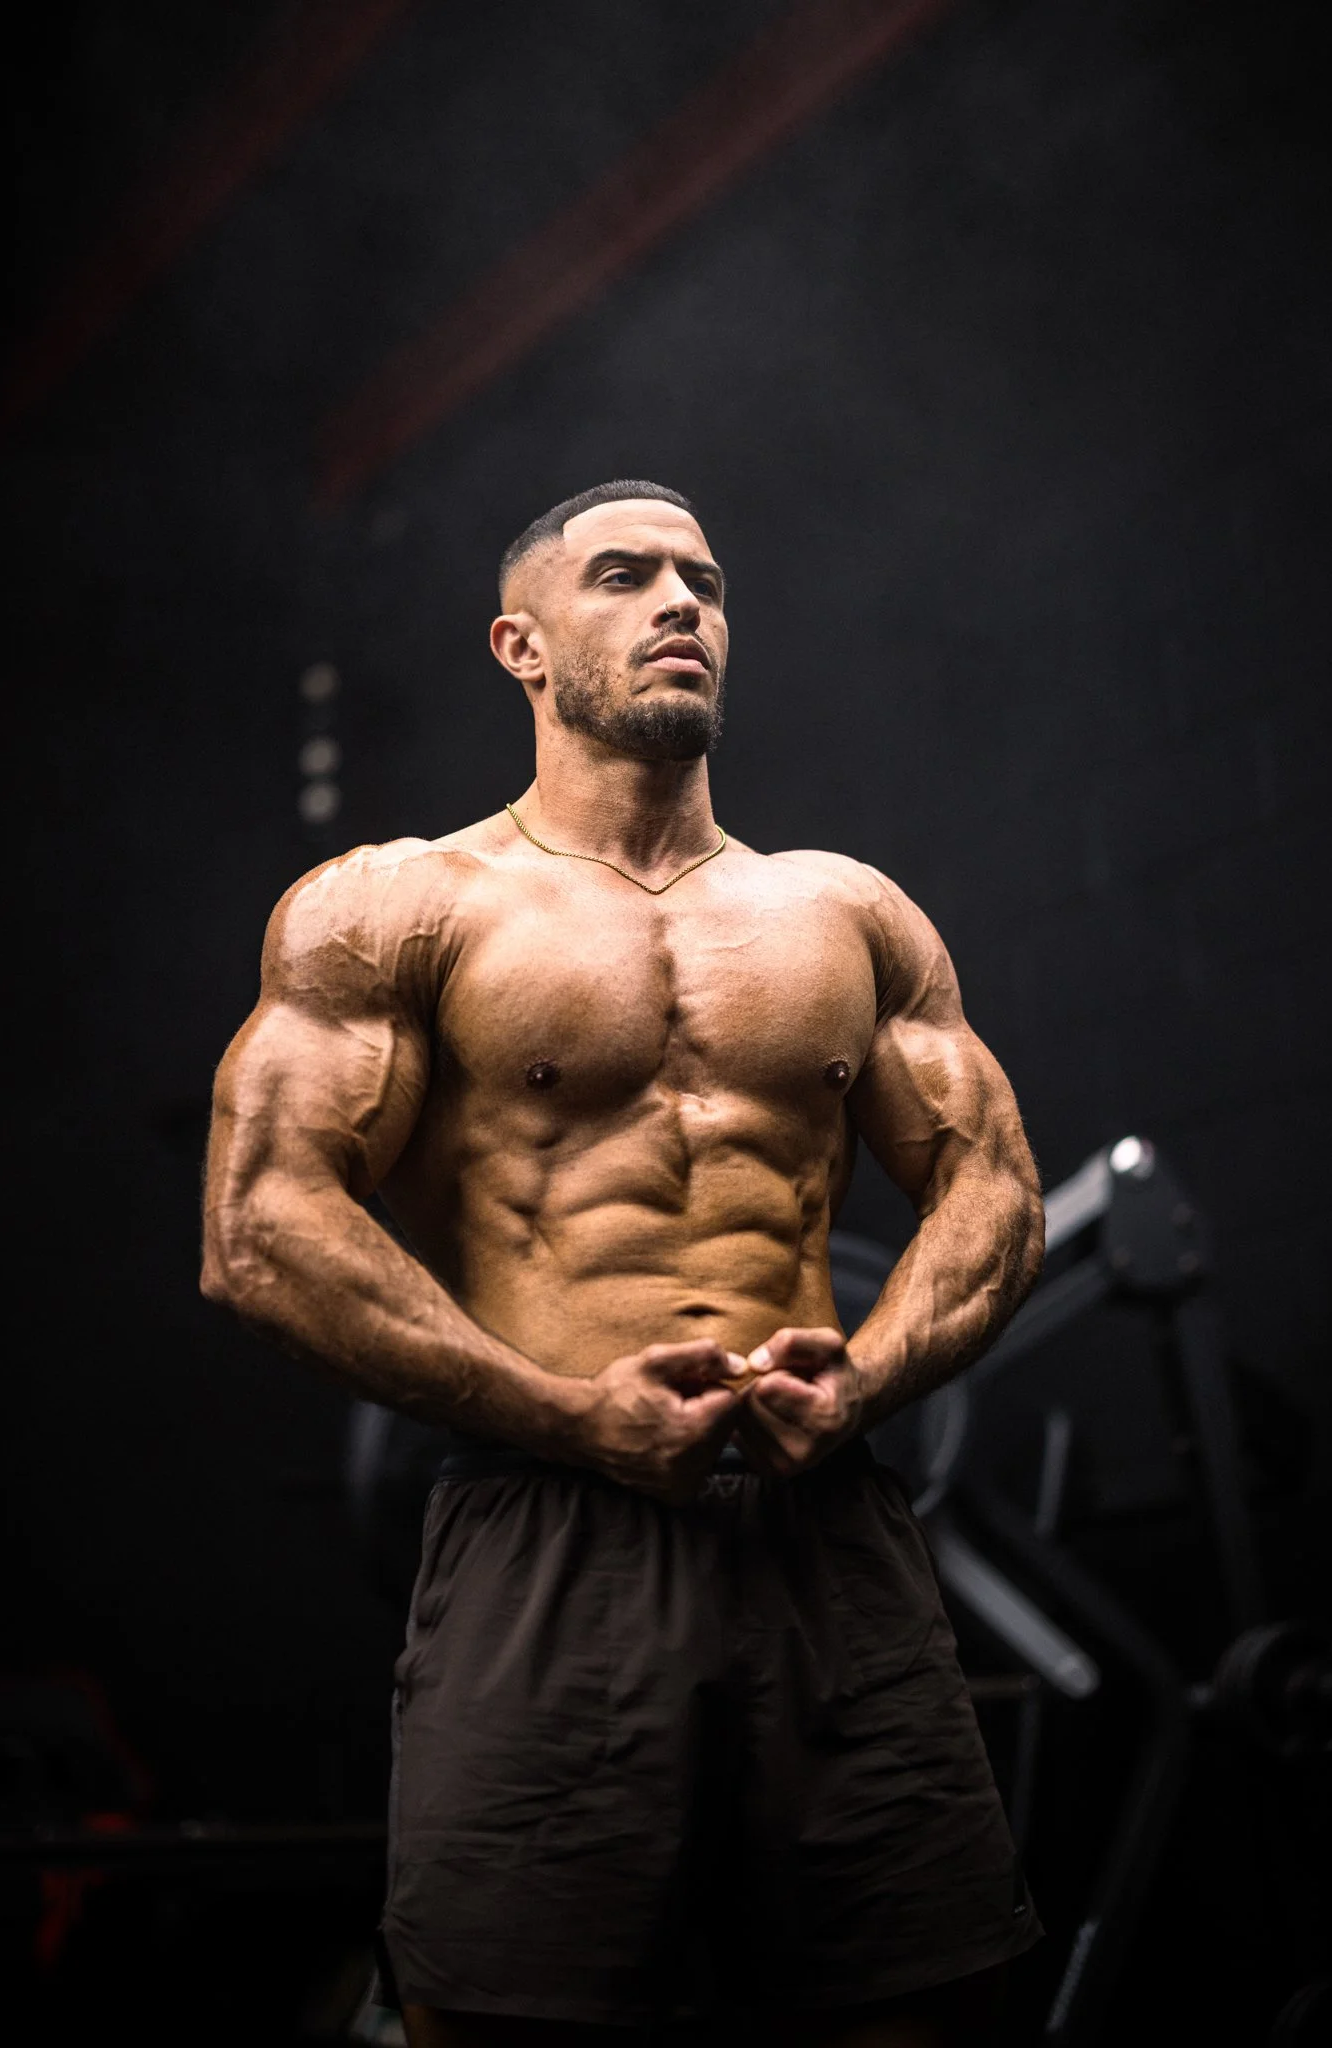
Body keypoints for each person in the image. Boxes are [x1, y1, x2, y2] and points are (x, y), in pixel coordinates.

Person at [202, 480, 1046, 2048]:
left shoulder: (846, 912)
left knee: (931, 2001)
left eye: (702, 582)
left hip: (824, 1532)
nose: (679, 604)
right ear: (519, 646)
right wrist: (567, 1415)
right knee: (512, 2012)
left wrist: (867, 1380)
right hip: (549, 1526)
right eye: (624, 575)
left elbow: (992, 1184)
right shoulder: (398, 906)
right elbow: (260, 1230)